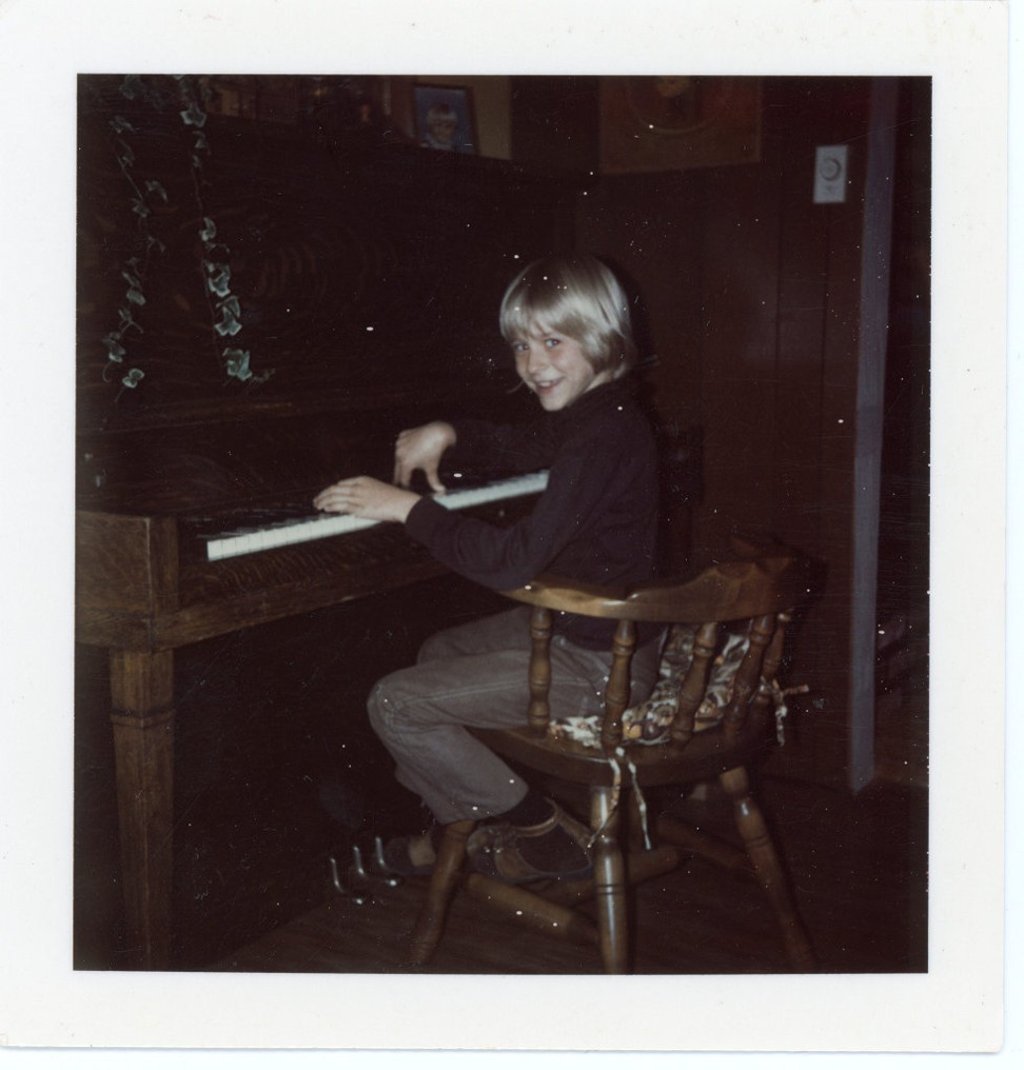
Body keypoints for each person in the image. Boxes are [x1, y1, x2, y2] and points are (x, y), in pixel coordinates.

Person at [313, 254, 662, 883]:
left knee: (393, 703)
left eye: (553, 342)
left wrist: (407, 509)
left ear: (603, 335)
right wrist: (450, 430)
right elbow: (527, 444)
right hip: (591, 632)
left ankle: (541, 828)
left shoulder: (604, 437)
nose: (532, 364)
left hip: (602, 665)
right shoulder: (602, 411)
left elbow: (512, 561)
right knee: (439, 651)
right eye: (521, 345)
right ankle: (466, 822)